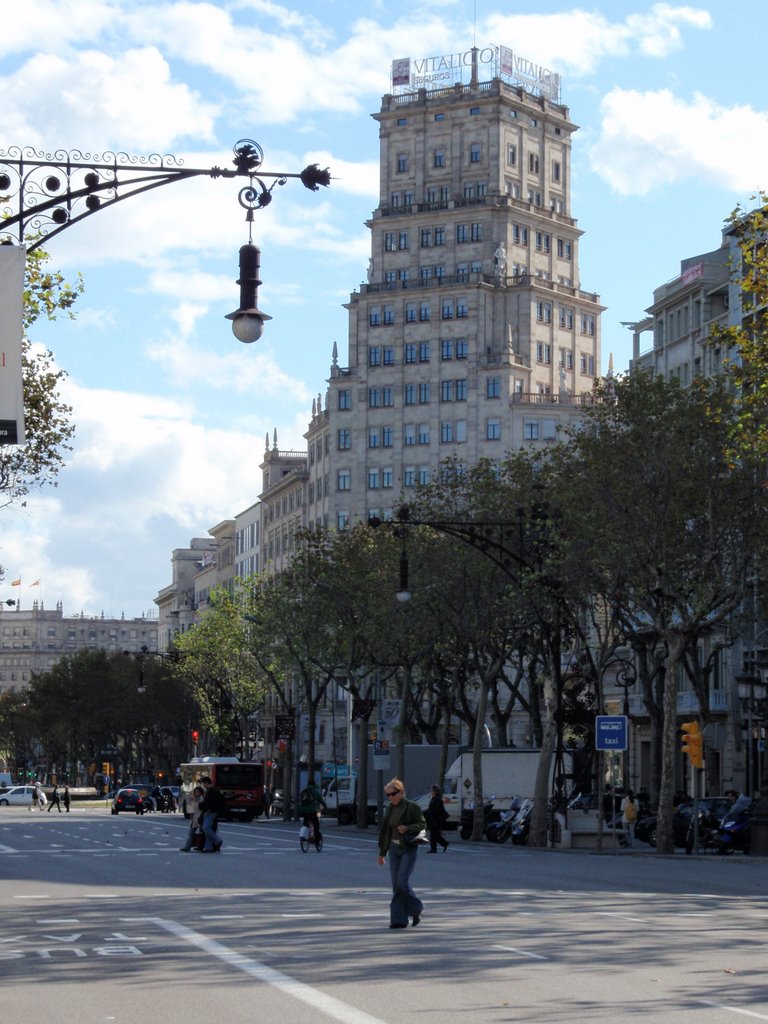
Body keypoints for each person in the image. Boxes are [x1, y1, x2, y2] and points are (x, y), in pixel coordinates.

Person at [377, 778, 427, 930]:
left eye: (392, 794)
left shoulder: (412, 807)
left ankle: (417, 908)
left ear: (401, 792)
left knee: (402, 882)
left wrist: (408, 828)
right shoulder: (389, 809)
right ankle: (399, 920)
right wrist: (382, 853)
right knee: (396, 886)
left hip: (408, 848)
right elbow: (386, 831)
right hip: (394, 849)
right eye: (388, 795)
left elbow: (422, 824)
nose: (390, 798)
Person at [199, 775, 227, 852]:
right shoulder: (211, 790)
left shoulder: (213, 791)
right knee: (208, 829)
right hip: (211, 811)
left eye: (204, 783)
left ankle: (218, 840)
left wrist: (208, 809)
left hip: (211, 811)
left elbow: (212, 802)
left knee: (206, 827)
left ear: (207, 783)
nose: (203, 785)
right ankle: (208, 847)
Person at [298, 778, 327, 844]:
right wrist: (325, 806)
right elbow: (321, 800)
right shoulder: (315, 791)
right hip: (312, 811)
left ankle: (306, 837)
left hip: (304, 811)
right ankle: (316, 841)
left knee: (306, 824)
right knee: (316, 825)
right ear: (314, 784)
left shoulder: (304, 791)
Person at [179, 785, 205, 852]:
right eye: (195, 791)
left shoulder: (201, 799)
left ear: (200, 792)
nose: (196, 793)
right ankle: (187, 847)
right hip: (196, 818)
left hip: (200, 819)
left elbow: (201, 809)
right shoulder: (196, 799)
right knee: (192, 833)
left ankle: (193, 847)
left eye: (197, 791)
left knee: (201, 833)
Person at [426, 785, 449, 853]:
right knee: (435, 835)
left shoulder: (437, 800)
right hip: (434, 820)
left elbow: (436, 811)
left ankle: (434, 849)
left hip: (436, 820)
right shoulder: (434, 799)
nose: (431, 792)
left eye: (432, 791)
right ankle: (444, 843)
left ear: (435, 792)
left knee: (433, 835)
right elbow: (431, 809)